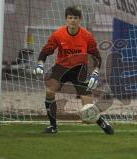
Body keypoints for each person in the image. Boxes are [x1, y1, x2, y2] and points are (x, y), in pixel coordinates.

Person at [33, 6, 114, 135]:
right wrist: (40, 64)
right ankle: (53, 126)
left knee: (87, 104)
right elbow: (46, 51)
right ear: (66, 19)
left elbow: (97, 57)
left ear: (79, 20)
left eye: (75, 18)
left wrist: (95, 73)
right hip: (61, 69)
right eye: (70, 18)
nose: (73, 20)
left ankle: (101, 122)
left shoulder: (87, 36)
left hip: (80, 70)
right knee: (49, 91)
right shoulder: (58, 34)